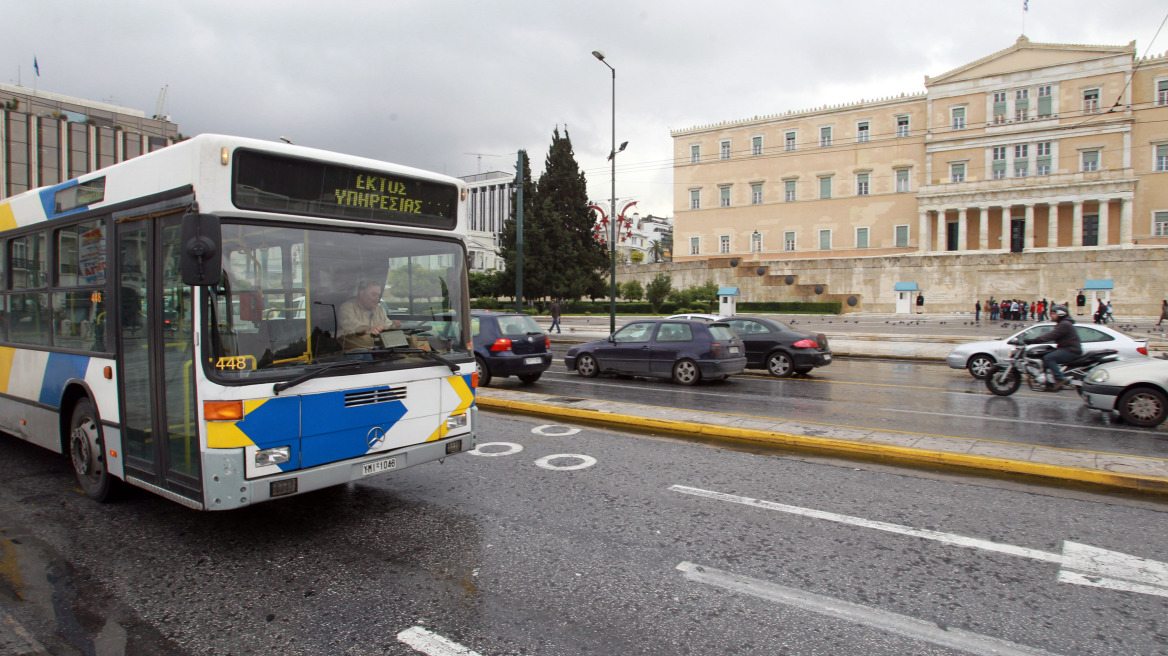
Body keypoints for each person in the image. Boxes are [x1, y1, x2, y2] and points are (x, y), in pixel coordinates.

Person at [1023, 304, 1082, 391]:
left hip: (1071, 350)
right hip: (1066, 348)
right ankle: (1049, 381)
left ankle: (1060, 379)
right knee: (1046, 354)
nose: (1051, 315)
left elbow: (1050, 336)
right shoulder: (1062, 323)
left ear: (1061, 314)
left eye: (1053, 313)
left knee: (1049, 358)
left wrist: (1032, 341)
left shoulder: (1064, 324)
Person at [338, 280, 401, 351]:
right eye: (374, 294)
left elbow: (386, 325)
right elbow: (352, 325)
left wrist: (392, 326)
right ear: (362, 294)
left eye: (378, 295)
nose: (377, 298)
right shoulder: (347, 307)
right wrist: (369, 329)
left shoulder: (379, 309)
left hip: (378, 351)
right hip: (354, 353)